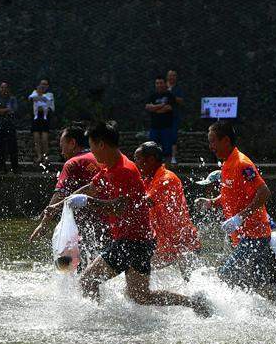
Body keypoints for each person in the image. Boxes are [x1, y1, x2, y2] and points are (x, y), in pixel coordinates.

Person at [48, 121, 211, 316]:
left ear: (101, 144)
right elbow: (91, 188)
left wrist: (88, 202)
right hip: (141, 240)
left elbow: (119, 209)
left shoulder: (124, 170)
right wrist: (62, 203)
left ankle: (95, 321)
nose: (91, 151)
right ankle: (194, 303)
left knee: (88, 280)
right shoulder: (110, 167)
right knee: (140, 295)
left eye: (91, 146)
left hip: (131, 241)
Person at [195, 121, 276, 302]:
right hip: (242, 235)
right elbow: (229, 194)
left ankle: (232, 307)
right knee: (258, 283)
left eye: (213, 141)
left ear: (225, 140)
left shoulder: (242, 163)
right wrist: (211, 202)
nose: (210, 147)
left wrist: (239, 218)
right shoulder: (226, 163)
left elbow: (264, 192)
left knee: (226, 273)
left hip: (255, 235)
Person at [30, 124, 108, 266]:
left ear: (72, 143)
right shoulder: (104, 159)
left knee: (80, 269)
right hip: (111, 223)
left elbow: (60, 194)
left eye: (62, 146)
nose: (61, 152)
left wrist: (44, 224)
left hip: (88, 227)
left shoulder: (73, 163)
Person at [134, 141, 201, 280]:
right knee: (136, 272)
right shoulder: (149, 179)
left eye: (138, 159)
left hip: (184, 243)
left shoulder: (166, 179)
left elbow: (145, 202)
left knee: (193, 283)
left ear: (151, 159)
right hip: (167, 244)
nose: (136, 163)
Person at [144, 76, 176, 163]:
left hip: (166, 127)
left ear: (165, 84)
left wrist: (154, 108)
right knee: (151, 151)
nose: (159, 85)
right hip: (154, 127)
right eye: (157, 83)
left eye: (161, 83)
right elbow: (147, 107)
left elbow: (168, 108)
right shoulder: (152, 95)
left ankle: (167, 169)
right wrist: (161, 105)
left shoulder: (170, 95)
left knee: (167, 152)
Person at [0, 82, 19, 174]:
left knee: (13, 148)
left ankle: (15, 167)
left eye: (5, 87)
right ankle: (2, 167)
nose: (4, 89)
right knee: (1, 148)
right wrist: (6, 109)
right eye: (2, 87)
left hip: (10, 125)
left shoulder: (12, 99)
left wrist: (1, 110)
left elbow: (13, 110)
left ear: (8, 89)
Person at [29, 78, 54, 163]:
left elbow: (51, 107)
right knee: (36, 138)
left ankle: (45, 156)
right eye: (42, 84)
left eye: (45, 84)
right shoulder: (35, 93)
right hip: (36, 117)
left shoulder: (50, 95)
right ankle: (39, 156)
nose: (43, 86)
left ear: (48, 86)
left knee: (44, 139)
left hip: (45, 117)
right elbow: (32, 99)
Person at [166, 70, 185, 165]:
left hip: (174, 116)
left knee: (173, 137)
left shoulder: (178, 89)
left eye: (173, 75)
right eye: (170, 75)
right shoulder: (163, 87)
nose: (171, 77)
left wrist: (171, 95)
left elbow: (181, 101)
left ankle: (173, 157)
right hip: (162, 117)